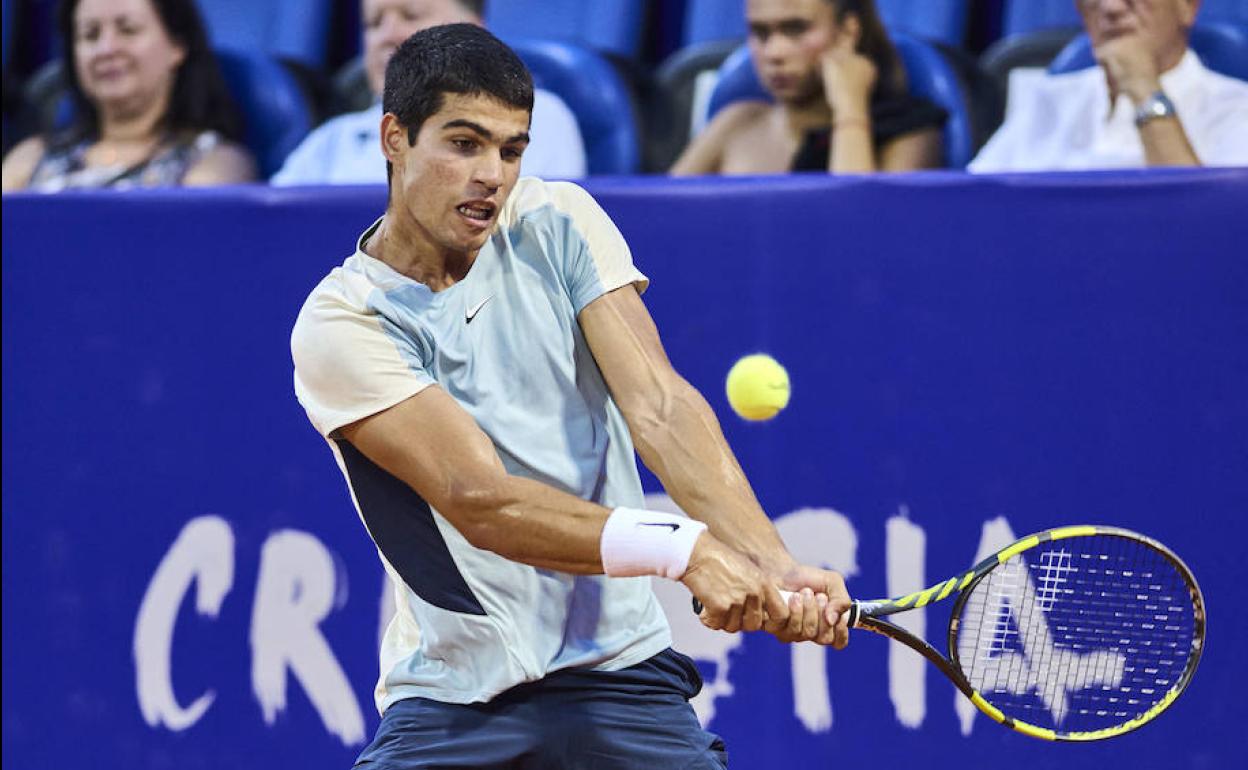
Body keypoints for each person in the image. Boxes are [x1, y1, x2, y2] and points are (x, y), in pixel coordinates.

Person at [291, 24, 851, 769]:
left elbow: (658, 404)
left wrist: (769, 561)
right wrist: (683, 548)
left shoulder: (558, 220)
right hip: (456, 696)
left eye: (511, 149)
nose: (492, 173)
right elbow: (481, 501)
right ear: (395, 137)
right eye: (464, 144)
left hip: (623, 678)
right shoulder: (344, 321)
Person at [271, 0, 586, 185]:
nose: (387, 36)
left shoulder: (537, 119)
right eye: (373, 23)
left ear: (474, 29)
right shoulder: (332, 142)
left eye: (412, 16)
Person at [1, 0, 254, 192]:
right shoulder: (30, 158)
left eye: (128, 30)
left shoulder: (214, 164)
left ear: (177, 46)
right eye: (90, 35)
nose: (106, 49)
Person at [672, 0, 945, 176]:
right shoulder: (735, 123)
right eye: (760, 32)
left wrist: (850, 107)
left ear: (848, 31)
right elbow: (654, 221)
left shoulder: (910, 131)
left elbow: (858, 233)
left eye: (796, 29)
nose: (774, 52)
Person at [970, 0, 1248, 172]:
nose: (1111, 7)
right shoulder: (1049, 100)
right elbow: (974, 203)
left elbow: (1201, 227)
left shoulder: (1236, 110)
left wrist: (1144, 90)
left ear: (1187, 6)